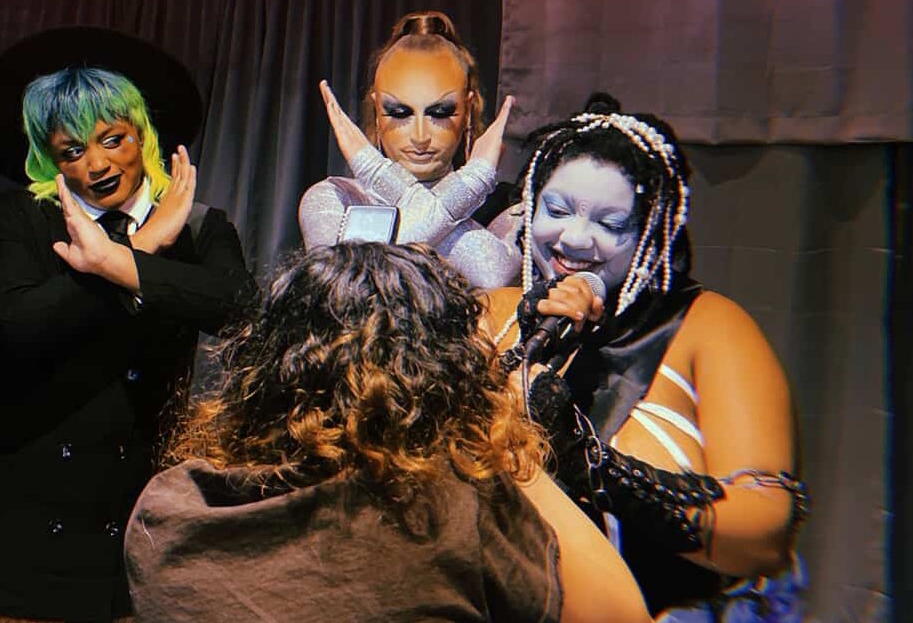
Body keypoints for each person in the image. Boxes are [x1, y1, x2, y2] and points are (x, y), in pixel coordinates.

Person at [124, 241, 651, 623]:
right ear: (444, 378)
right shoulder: (452, 509)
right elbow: (622, 614)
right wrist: (499, 439)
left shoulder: (171, 507)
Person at [0, 27, 255, 623]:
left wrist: (122, 261)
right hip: (28, 478)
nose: (99, 164)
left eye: (114, 140)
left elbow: (236, 305)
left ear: (144, 136)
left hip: (135, 483)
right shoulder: (21, 217)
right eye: (73, 151)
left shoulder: (200, 226)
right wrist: (143, 248)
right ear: (49, 160)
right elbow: (21, 323)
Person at [484, 93, 810, 621]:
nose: (573, 238)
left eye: (611, 224)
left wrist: (593, 466)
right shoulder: (493, 316)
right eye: (557, 210)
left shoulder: (710, 327)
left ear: (652, 232)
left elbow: (766, 532)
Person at [298, 10, 520, 288]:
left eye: (440, 112)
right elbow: (344, 289)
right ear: (377, 111)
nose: (420, 136)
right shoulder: (335, 198)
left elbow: (492, 275)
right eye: (399, 113)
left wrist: (377, 172)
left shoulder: (506, 208)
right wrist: (470, 184)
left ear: (467, 110)